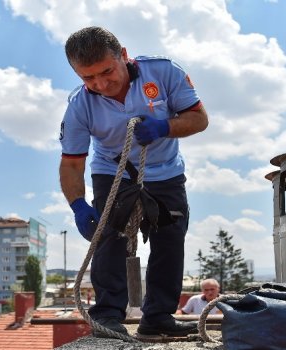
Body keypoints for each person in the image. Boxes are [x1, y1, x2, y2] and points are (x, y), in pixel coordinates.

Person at [59, 26, 209, 338]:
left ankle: (157, 319)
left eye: (107, 71)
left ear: (123, 56)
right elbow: (72, 163)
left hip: (166, 170)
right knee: (110, 237)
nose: (101, 84)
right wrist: (77, 206)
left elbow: (199, 119)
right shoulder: (79, 105)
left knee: (169, 240)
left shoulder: (164, 72)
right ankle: (108, 316)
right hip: (112, 171)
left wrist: (164, 127)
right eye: (88, 78)